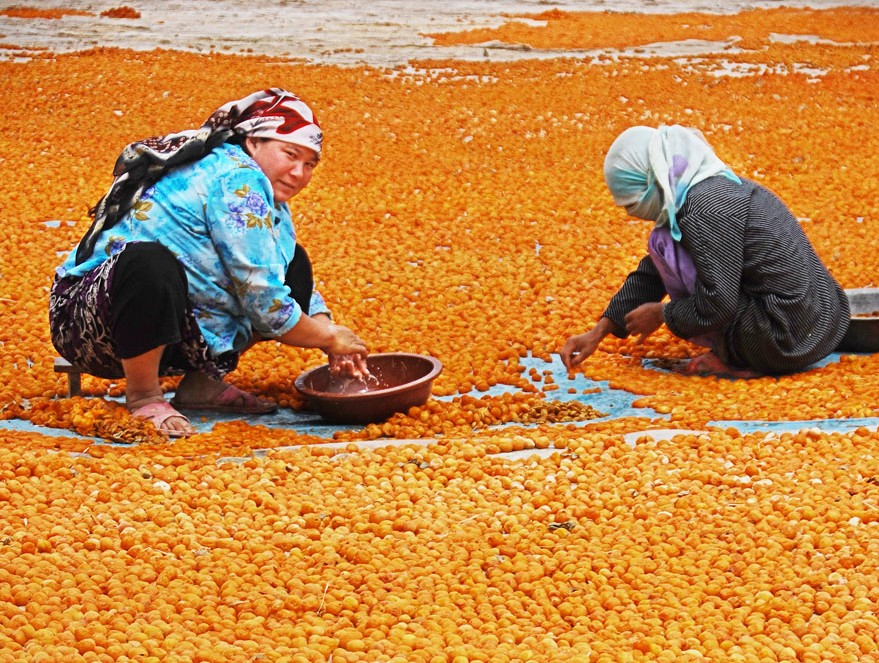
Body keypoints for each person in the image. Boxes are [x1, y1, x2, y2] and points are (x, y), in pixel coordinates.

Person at [50, 88, 369, 437]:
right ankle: (143, 396)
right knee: (148, 264)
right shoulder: (236, 177)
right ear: (253, 142)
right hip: (89, 325)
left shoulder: (265, 192)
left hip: (171, 326)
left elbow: (276, 276)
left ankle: (201, 387)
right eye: (290, 154)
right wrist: (326, 338)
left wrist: (332, 331)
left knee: (294, 263)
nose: (299, 172)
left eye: (310, 164)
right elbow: (264, 299)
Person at [560, 124, 850, 378]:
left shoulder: (705, 210)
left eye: (631, 204)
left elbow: (718, 303)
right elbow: (655, 271)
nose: (631, 214)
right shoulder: (705, 187)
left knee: (666, 244)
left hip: (782, 339)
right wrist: (599, 331)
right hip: (820, 323)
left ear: (654, 182)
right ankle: (745, 344)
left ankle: (740, 357)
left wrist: (663, 314)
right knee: (665, 243)